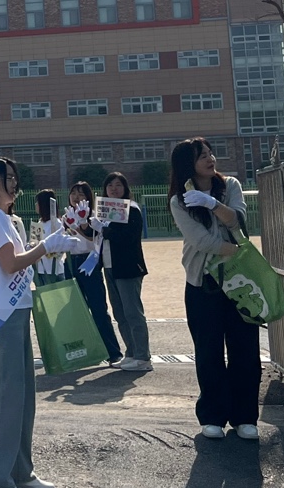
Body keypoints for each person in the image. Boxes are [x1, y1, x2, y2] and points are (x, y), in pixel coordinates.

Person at [0, 156, 80, 488]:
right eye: (8, 178)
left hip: (12, 310)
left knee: (21, 395)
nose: (15, 184)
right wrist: (46, 246)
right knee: (6, 394)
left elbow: (13, 261)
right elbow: (10, 263)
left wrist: (48, 246)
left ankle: (18, 471)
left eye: (15, 177)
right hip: (1, 313)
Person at [169, 138, 259, 440]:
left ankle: (245, 417)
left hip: (240, 281)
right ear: (187, 164)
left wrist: (212, 204)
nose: (210, 159)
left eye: (210, 153)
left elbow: (238, 221)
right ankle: (213, 416)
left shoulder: (230, 185)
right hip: (202, 282)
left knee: (245, 348)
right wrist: (239, 253)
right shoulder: (179, 201)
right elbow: (202, 242)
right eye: (202, 156)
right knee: (208, 351)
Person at [65, 180, 123, 367]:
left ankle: (113, 352)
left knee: (98, 309)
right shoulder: (66, 215)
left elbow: (93, 240)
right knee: (76, 311)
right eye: (74, 193)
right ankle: (84, 353)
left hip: (89, 262)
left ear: (88, 197)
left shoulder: (93, 216)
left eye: (81, 194)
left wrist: (81, 224)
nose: (76, 197)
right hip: (71, 262)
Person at [101, 172, 152, 372]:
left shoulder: (132, 209)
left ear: (125, 188)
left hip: (128, 267)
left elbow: (129, 237)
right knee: (120, 313)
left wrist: (105, 230)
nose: (114, 189)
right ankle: (131, 352)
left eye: (118, 185)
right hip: (110, 266)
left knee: (132, 312)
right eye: (110, 185)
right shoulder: (104, 211)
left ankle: (143, 357)